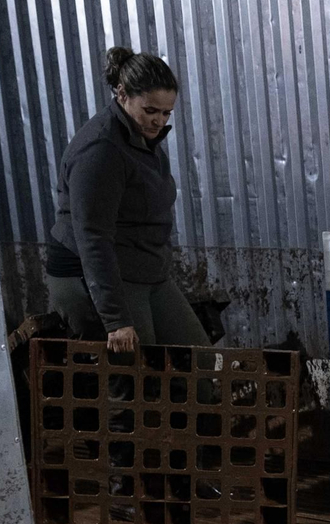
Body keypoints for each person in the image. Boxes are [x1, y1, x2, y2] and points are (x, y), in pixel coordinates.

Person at [46, 46, 209, 351]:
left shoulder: (142, 140)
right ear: (122, 94)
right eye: (150, 111)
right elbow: (92, 236)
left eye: (166, 113)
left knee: (197, 362)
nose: (159, 121)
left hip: (142, 271)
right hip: (95, 274)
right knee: (136, 375)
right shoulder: (100, 150)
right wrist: (116, 319)